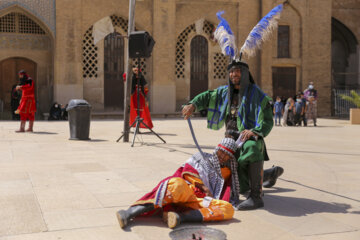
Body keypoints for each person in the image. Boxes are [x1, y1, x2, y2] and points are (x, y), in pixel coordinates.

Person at [182, 60, 284, 210]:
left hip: (248, 137)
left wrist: (254, 131)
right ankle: (268, 174)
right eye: (231, 71)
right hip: (230, 138)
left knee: (252, 149)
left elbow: (267, 119)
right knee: (224, 168)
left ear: (245, 74)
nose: (234, 74)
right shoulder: (225, 92)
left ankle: (256, 197)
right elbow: (207, 96)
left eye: (238, 71)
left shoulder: (256, 94)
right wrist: (193, 104)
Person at [116, 138, 239, 229]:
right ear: (217, 149)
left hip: (200, 202)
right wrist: (204, 187)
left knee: (228, 209)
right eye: (222, 152)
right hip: (187, 193)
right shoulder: (201, 157)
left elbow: (227, 193)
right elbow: (187, 171)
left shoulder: (227, 172)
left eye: (227, 155)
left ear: (230, 158)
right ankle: (128, 213)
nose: (223, 156)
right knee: (176, 184)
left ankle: (180, 217)